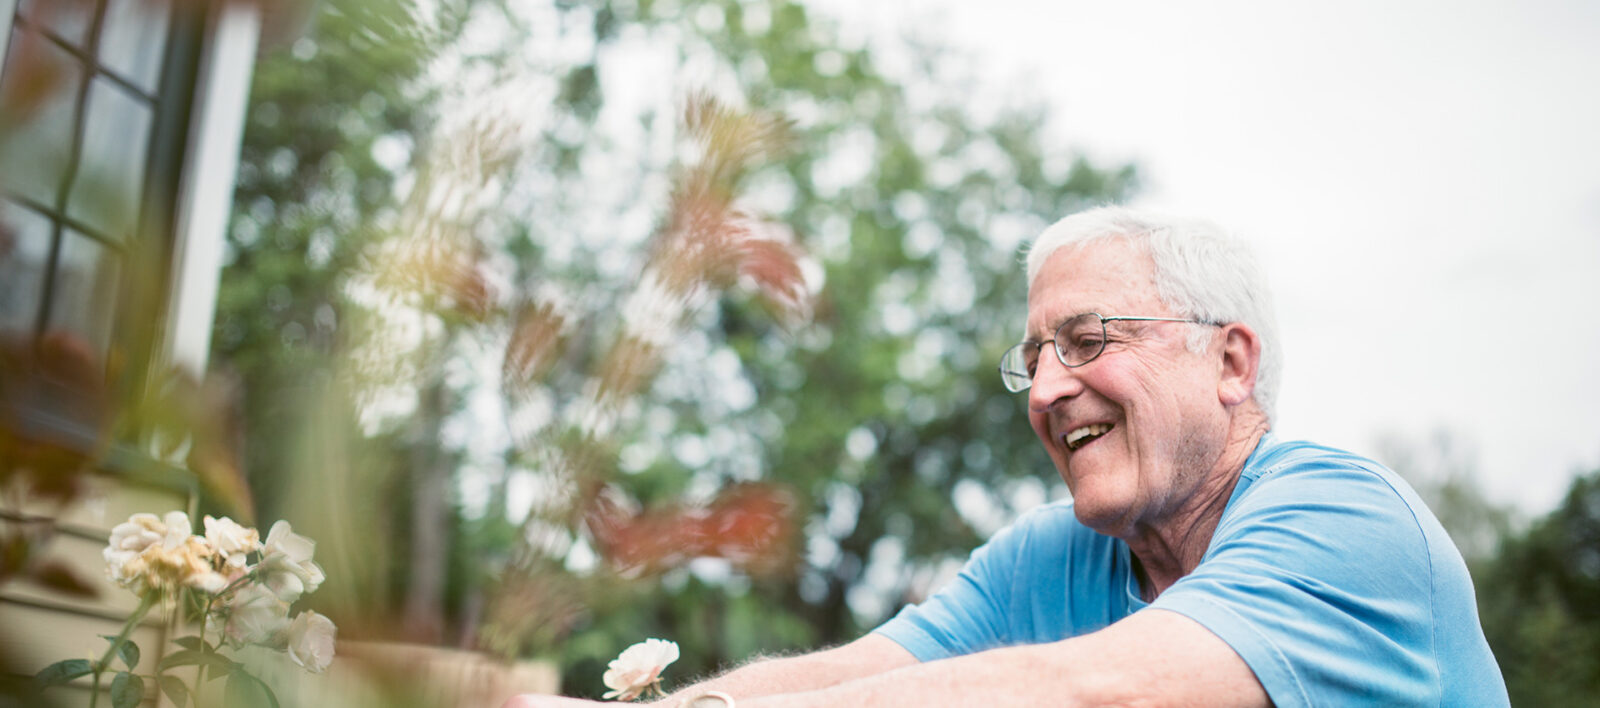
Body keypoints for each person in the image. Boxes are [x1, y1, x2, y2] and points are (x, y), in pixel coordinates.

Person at [505, 206, 1510, 707]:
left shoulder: (1344, 526)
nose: (1045, 389)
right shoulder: (1048, 559)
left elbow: (1079, 693)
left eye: (1087, 341)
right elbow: (851, 679)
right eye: (1032, 358)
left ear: (1230, 360)